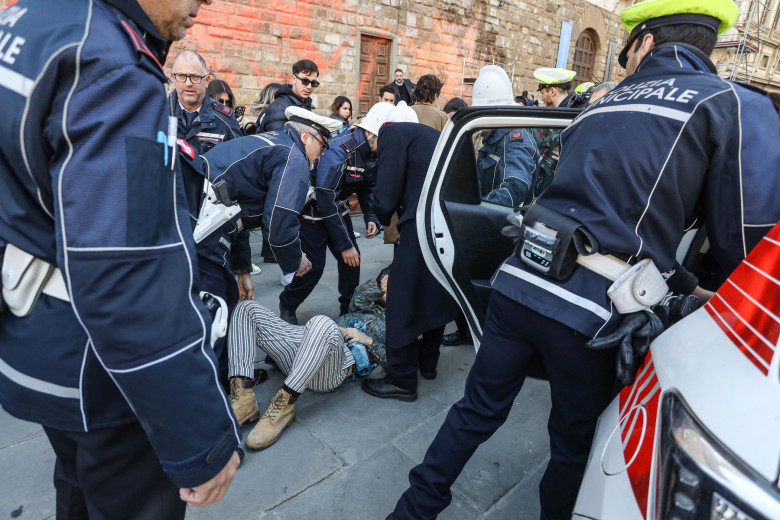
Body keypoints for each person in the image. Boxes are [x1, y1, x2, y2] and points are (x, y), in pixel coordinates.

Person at [387, 1, 780, 519]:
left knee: (474, 412)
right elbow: (747, 240)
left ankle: (411, 512)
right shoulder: (732, 103)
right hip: (593, 314)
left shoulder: (599, 105)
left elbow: (586, 209)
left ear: (645, 42)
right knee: (572, 447)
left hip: (519, 282)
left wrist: (685, 281)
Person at [0, 0, 242, 518]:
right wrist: (200, 436)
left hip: (38, 341)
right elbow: (129, 277)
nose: (204, 2)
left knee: (78, 488)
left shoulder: (30, 21)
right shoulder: (112, 63)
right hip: (103, 371)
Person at [229, 267, 391, 448]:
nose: (389, 291)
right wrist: (380, 284)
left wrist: (367, 340)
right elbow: (359, 294)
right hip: (301, 348)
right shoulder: (366, 305)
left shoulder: (399, 323)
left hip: (330, 368)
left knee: (322, 323)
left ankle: (284, 406)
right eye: (388, 287)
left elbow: (397, 360)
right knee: (245, 308)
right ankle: (243, 400)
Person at [362, 116, 458, 402]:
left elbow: (386, 194)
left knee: (402, 298)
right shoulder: (427, 134)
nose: (375, 150)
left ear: (373, 132)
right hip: (445, 222)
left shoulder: (389, 132)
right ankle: (428, 364)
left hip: (420, 222)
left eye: (372, 145)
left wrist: (378, 216)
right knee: (435, 291)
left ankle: (402, 379)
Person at [278, 102, 393, 325]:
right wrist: (344, 244)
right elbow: (324, 195)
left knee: (353, 262)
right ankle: (288, 305)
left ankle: (347, 310)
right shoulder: (341, 148)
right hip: (315, 215)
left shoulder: (372, 150)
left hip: (338, 213)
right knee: (313, 268)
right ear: (370, 132)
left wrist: (371, 217)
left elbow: (367, 186)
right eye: (384, 138)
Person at [472, 66, 541, 208]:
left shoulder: (516, 141)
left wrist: (480, 210)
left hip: (501, 222)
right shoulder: (493, 136)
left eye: (480, 112)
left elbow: (515, 186)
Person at [170, 50, 241, 155]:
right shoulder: (157, 115)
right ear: (173, 78)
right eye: (181, 76)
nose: (188, 83)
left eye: (195, 77)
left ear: (207, 80)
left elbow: (238, 161)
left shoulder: (225, 119)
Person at [256, 59, 320, 133]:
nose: (309, 87)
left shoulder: (306, 105)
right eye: (305, 81)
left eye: (314, 83)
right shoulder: (279, 106)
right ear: (294, 79)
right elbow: (279, 140)